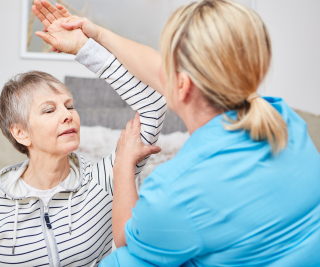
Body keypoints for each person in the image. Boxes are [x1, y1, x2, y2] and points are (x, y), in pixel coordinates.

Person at [34, 0, 320, 266]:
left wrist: (124, 163)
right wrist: (95, 37)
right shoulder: (284, 119)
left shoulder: (177, 188)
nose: (160, 69)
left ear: (182, 85)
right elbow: (157, 67)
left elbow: (124, 239)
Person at [0, 5, 167, 266]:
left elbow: (154, 104)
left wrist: (84, 48)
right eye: (48, 110)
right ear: (21, 133)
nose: (68, 115)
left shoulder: (105, 179)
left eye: (69, 106)